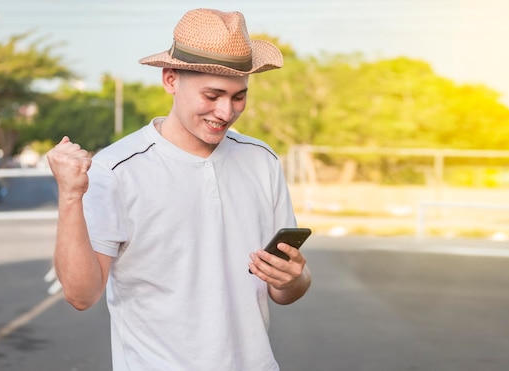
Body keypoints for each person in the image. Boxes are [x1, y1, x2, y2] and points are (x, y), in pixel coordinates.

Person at [46, 8, 311, 371]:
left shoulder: (262, 160)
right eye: (213, 94)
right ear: (170, 79)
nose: (226, 111)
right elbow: (81, 295)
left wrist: (295, 277)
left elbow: (284, 290)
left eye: (238, 96)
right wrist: (71, 196)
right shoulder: (117, 168)